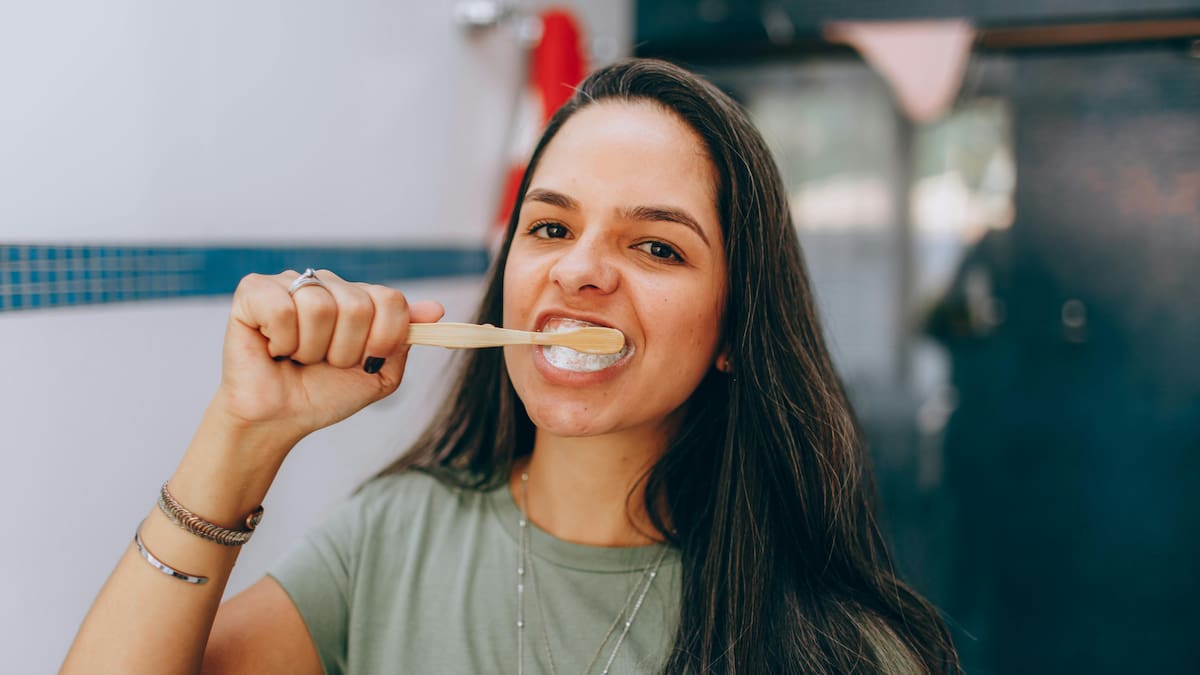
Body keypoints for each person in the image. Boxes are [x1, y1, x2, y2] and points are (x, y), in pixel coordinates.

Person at [63, 58, 959, 674]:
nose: (579, 269)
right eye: (552, 228)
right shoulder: (396, 538)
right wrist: (242, 432)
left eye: (655, 245)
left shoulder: (844, 647)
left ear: (734, 328)